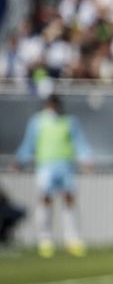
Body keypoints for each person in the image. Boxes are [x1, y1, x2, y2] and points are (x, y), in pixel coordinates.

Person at [14, 94, 89, 257]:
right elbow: (29, 143)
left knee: (69, 199)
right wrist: (20, 159)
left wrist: (86, 158)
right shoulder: (37, 122)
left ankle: (72, 239)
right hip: (46, 166)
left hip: (66, 166)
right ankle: (45, 239)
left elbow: (79, 141)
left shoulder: (69, 121)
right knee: (45, 199)